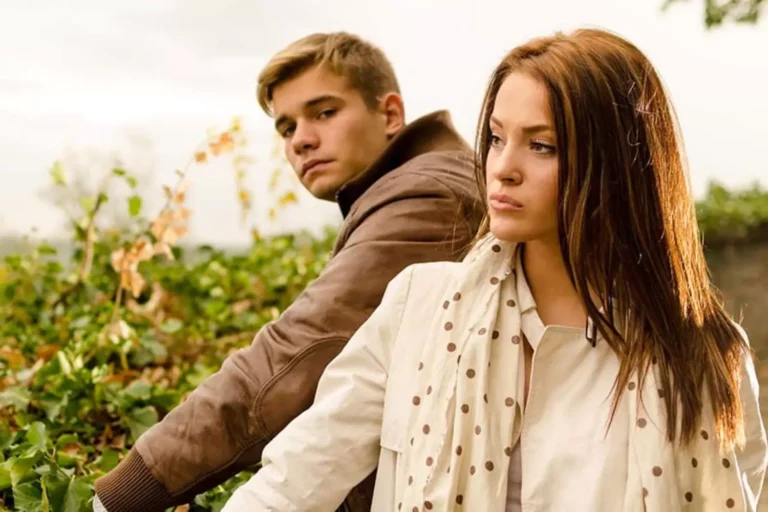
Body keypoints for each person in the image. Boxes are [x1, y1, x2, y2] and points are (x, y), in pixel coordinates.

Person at [221, 28, 768, 511]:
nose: (502, 168)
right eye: (497, 138)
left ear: (619, 167)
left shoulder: (705, 357)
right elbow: (296, 478)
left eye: (542, 145)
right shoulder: (419, 305)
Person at [93, 32, 483, 512]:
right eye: (286, 127)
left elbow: (295, 356)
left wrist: (124, 494)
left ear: (390, 114)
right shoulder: (419, 183)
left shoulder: (428, 198)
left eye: (324, 112)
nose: (301, 139)